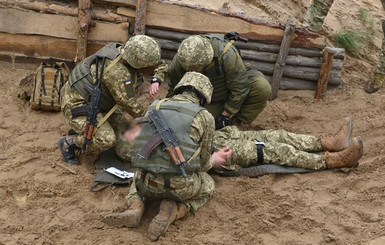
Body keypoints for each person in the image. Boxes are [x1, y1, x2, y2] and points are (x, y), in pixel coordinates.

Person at [102, 72, 232, 241]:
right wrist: (215, 159)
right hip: (182, 187)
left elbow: (138, 147)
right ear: (203, 97)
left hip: (148, 183)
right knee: (208, 184)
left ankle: (136, 206)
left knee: (137, 178)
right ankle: (177, 210)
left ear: (179, 89)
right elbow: (203, 162)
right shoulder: (205, 117)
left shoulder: (155, 107)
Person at [58, 35, 168, 164]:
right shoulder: (118, 72)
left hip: (103, 102)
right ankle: (69, 142)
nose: (151, 68)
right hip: (78, 103)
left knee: (127, 151)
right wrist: (152, 118)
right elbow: (130, 105)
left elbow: (161, 65)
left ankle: (87, 131)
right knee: (106, 140)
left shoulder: (128, 52)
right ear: (137, 63)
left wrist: (156, 80)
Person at [166, 34, 272, 129]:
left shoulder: (226, 54)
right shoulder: (181, 60)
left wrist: (226, 115)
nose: (196, 72)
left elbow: (240, 87)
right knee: (197, 124)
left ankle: (234, 122)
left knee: (262, 87)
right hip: (206, 99)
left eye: (199, 68)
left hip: (229, 90)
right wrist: (169, 112)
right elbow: (175, 90)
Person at [212, 117, 363, 172]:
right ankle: (332, 161)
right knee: (276, 150)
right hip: (212, 151)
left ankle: (329, 143)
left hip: (217, 137)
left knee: (278, 136)